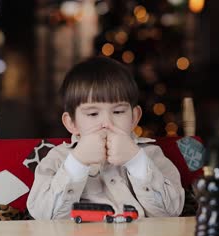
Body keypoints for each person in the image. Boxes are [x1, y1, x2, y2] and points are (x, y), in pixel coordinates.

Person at [27, 56, 184, 220]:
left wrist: (136, 161)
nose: (107, 123)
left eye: (118, 112)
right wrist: (77, 163)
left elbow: (171, 212)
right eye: (93, 114)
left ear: (134, 117)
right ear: (71, 123)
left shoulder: (150, 154)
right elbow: (43, 216)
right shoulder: (58, 158)